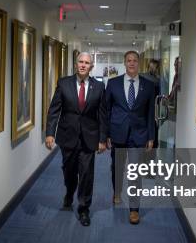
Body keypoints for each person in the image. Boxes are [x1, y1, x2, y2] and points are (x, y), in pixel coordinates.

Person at [45, 52, 107, 226]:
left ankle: (84, 208)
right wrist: (50, 133)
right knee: (69, 171)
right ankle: (69, 191)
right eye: (80, 61)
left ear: (91, 66)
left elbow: (103, 115)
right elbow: (54, 110)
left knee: (87, 174)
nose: (83, 65)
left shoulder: (99, 87)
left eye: (87, 63)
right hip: (67, 136)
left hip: (89, 138)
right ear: (75, 64)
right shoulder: (63, 83)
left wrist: (102, 139)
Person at [106, 51, 156, 225]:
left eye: (135, 60)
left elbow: (151, 114)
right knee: (117, 167)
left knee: (135, 172)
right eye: (129, 60)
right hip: (117, 132)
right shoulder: (113, 84)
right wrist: (106, 134)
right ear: (124, 63)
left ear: (139, 63)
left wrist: (151, 136)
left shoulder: (149, 86)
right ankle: (117, 191)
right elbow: (106, 110)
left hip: (139, 134)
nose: (132, 63)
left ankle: (134, 209)